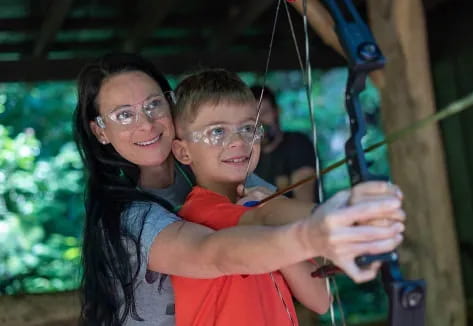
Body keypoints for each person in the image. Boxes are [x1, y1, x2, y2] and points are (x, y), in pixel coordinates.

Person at [73, 53, 405, 326]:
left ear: (170, 105)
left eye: (153, 105)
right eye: (123, 115)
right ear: (100, 131)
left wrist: (347, 215)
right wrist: (311, 235)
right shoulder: (126, 214)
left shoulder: (224, 171)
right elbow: (214, 252)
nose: (145, 123)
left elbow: (271, 210)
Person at [169, 69, 329, 326]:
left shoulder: (260, 210)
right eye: (217, 132)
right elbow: (260, 217)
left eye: (247, 128)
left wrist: (270, 215)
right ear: (183, 151)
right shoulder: (199, 214)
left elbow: (321, 300)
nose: (238, 141)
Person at [251, 85, 317, 202]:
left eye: (264, 113)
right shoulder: (246, 156)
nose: (259, 123)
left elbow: (304, 199)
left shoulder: (297, 143)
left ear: (277, 111)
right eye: (253, 118)